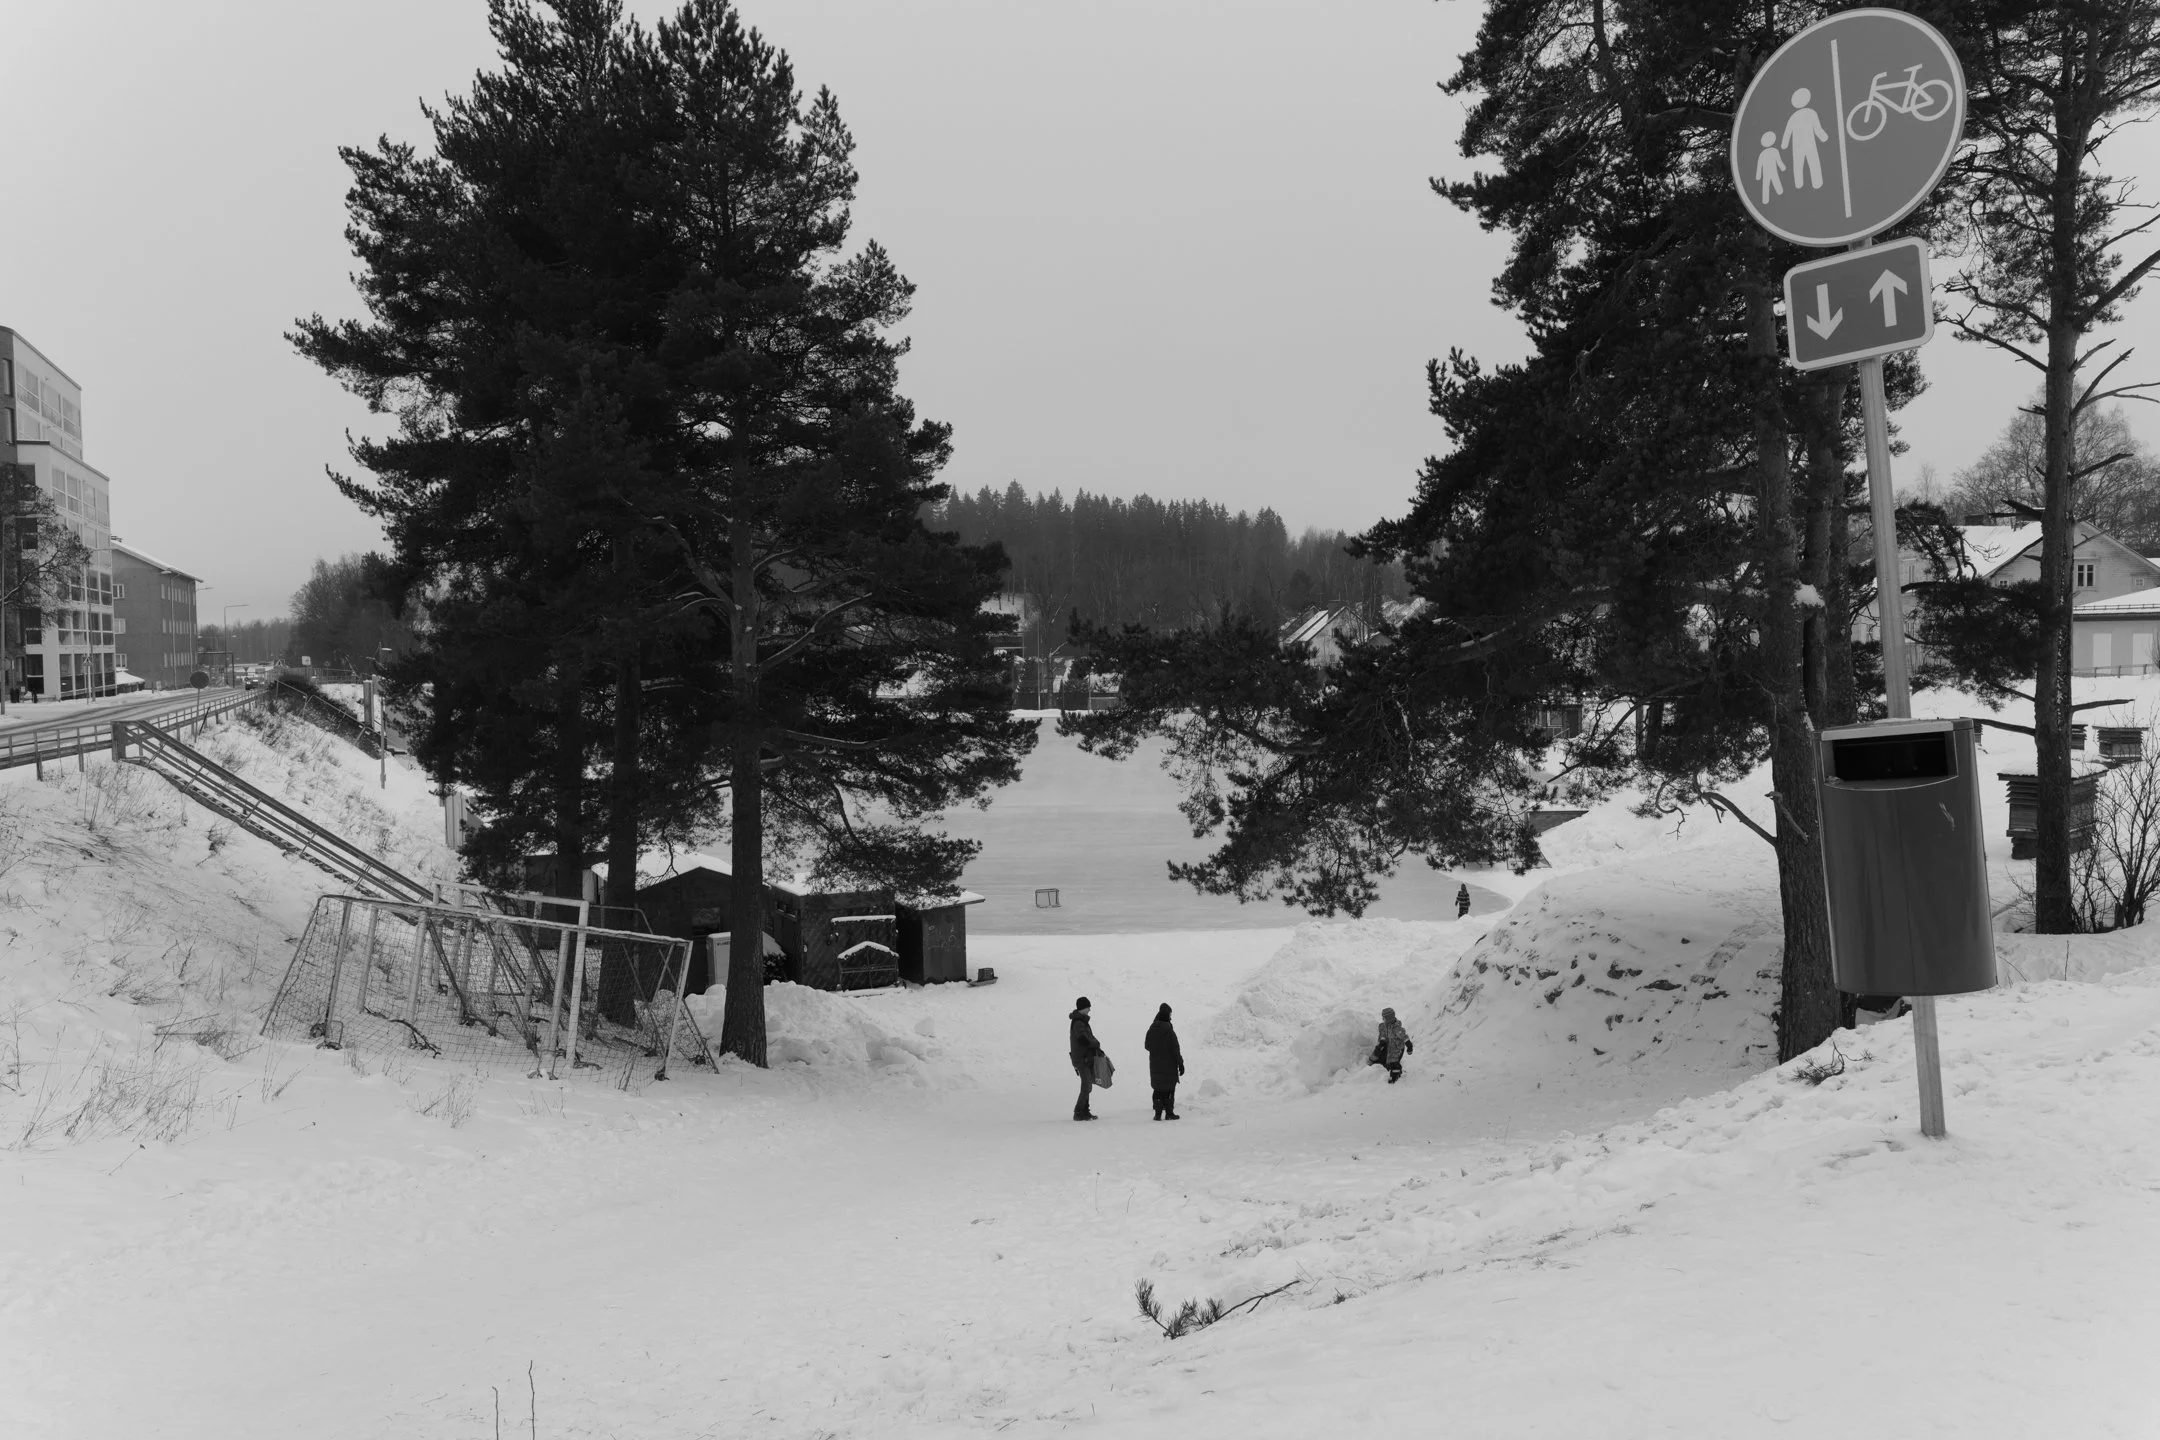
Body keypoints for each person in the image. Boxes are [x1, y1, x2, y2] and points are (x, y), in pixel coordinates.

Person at [1144, 1003, 1184, 1121]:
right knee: (1169, 1089)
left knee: (1158, 1089)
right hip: (1169, 1066)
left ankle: (1157, 1114)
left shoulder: (1151, 1030)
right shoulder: (1169, 1032)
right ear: (1167, 1016)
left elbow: (1147, 1046)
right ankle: (1169, 1113)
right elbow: (1175, 1050)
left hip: (1155, 1066)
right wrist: (1180, 1064)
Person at [1069, 996, 1103, 1121]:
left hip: (1085, 1057)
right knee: (1087, 1085)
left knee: (1087, 1085)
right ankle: (1078, 1112)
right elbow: (1083, 1040)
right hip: (1081, 1058)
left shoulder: (1082, 1021)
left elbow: (1087, 1037)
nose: (1089, 1009)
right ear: (1082, 1008)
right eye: (1088, 1007)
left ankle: (1084, 1111)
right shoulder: (1078, 1023)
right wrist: (1095, 1043)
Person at [1371, 1007, 1413, 1084]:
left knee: (1393, 1061)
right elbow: (1383, 1034)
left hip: (1397, 1048)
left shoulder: (1397, 1028)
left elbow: (1404, 1037)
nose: (1382, 1019)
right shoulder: (1385, 1026)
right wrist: (1382, 1042)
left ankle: (1396, 1074)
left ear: (1388, 1019)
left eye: (1384, 1018)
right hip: (1390, 1045)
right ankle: (1381, 1062)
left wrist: (1409, 1045)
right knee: (1383, 1055)